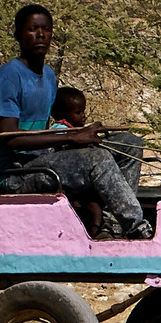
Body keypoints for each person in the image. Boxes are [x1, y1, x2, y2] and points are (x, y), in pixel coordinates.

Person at [0, 5, 152, 239]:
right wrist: (71, 136)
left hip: (34, 161)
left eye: (45, 29)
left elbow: (43, 132)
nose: (40, 35)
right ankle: (135, 226)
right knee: (96, 158)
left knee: (129, 143)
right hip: (7, 173)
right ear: (18, 35)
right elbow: (11, 138)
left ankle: (111, 225)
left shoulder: (48, 76)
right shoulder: (8, 77)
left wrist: (80, 135)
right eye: (32, 29)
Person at [49, 87, 105, 236]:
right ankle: (93, 232)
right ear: (63, 115)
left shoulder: (73, 130)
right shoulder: (59, 130)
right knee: (92, 205)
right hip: (67, 177)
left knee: (94, 202)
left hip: (76, 176)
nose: (83, 116)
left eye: (83, 112)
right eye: (78, 113)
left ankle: (95, 231)